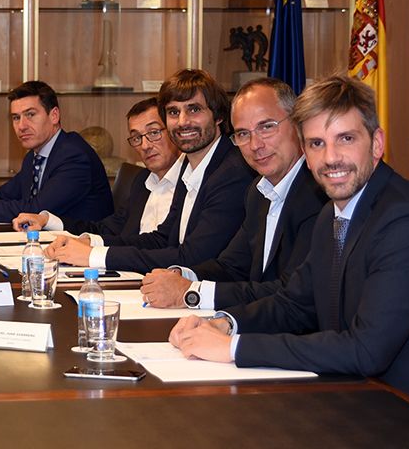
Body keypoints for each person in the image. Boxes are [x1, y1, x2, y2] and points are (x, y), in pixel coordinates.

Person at [168, 75, 409, 411]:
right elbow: (294, 304)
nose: (331, 158)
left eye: (345, 139)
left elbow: (365, 351)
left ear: (376, 144)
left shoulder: (405, 221)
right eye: (316, 143)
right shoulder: (334, 212)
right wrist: (225, 323)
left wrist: (232, 348)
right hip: (354, 397)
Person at [139, 78, 327, 310]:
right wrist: (180, 275)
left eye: (266, 127)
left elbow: (292, 293)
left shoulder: (318, 194)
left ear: (298, 125)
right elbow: (231, 267)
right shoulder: (258, 192)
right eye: (243, 134)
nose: (255, 145)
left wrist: (190, 292)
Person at [46, 69, 253, 273]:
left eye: (194, 109)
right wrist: (89, 245)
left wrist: (95, 256)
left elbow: (193, 258)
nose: (182, 122)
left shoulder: (233, 173)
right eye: (173, 112)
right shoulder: (189, 167)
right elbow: (161, 239)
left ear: (218, 115)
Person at [13, 97, 180, 237]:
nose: (145, 145)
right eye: (136, 138)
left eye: (154, 133)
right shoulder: (142, 181)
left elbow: (155, 249)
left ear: (174, 130)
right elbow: (106, 230)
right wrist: (46, 220)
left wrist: (94, 253)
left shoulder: (189, 186)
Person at [0, 81, 112, 223]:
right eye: (16, 118)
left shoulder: (74, 155)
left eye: (30, 115)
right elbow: (3, 194)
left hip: (80, 241)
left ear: (54, 116)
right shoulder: (34, 155)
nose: (21, 126)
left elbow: (36, 209)